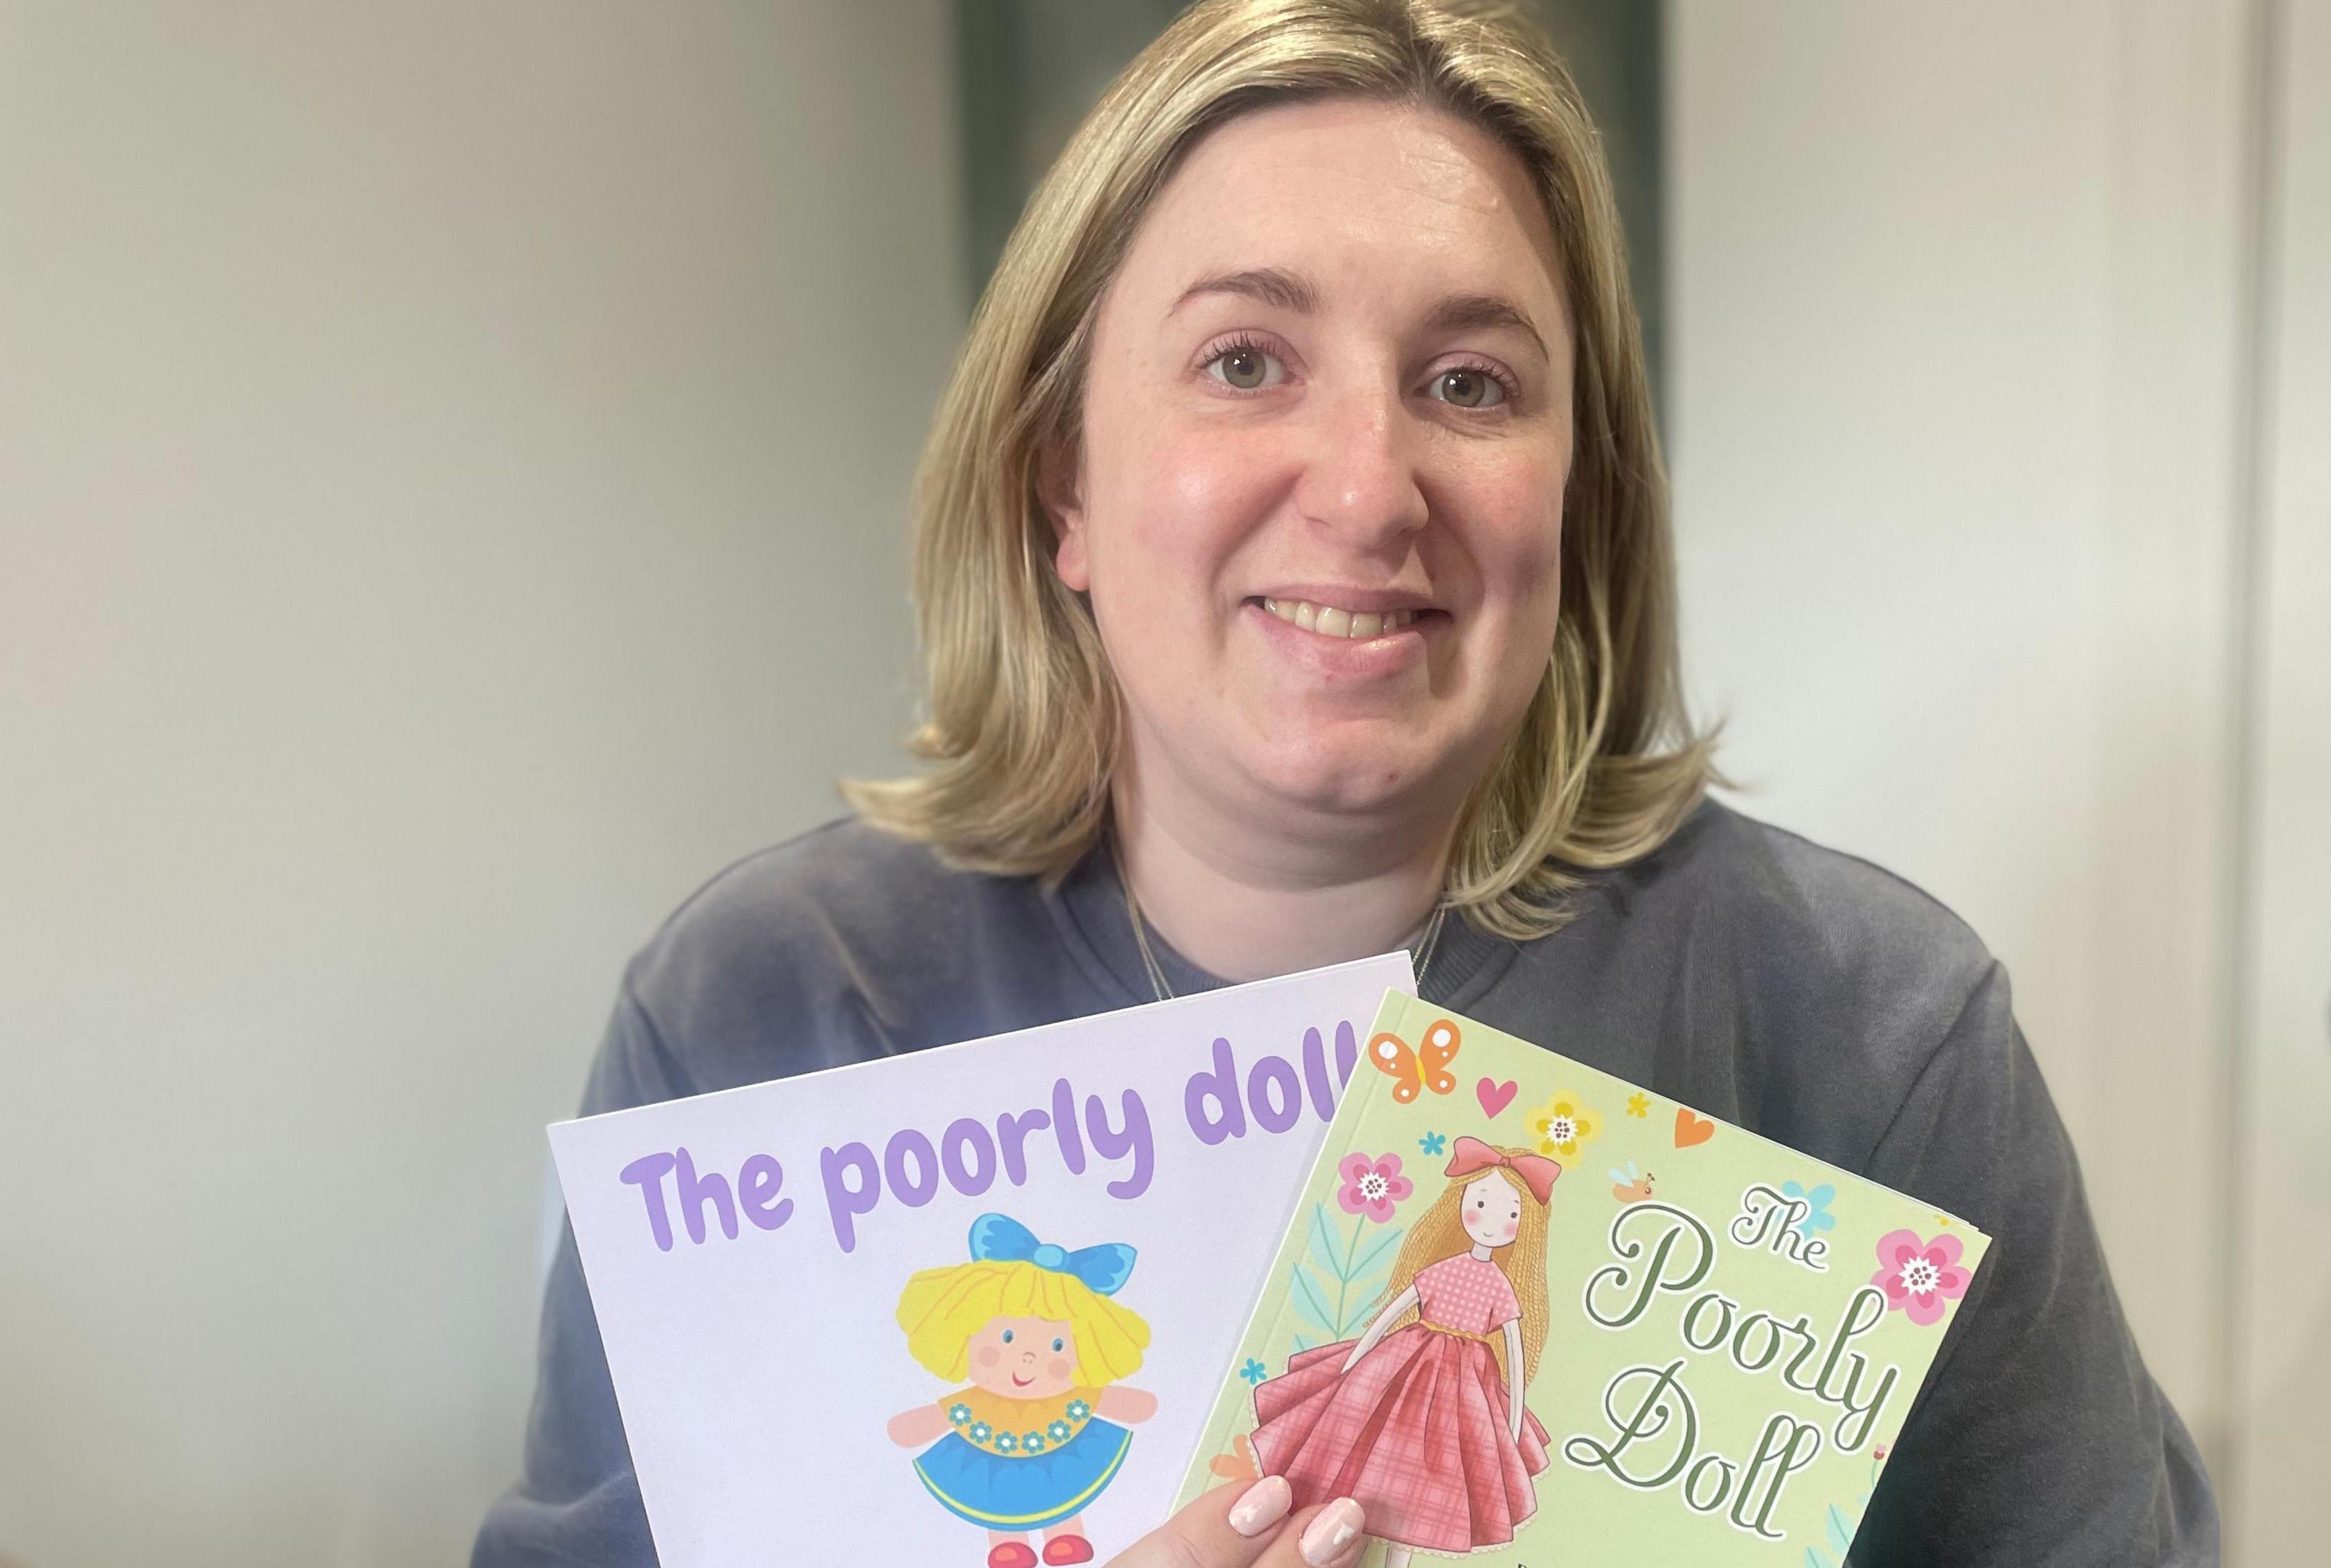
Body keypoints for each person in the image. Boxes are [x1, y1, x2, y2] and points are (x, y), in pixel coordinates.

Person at [472, 1, 2220, 1565]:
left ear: (1576, 504)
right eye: (1245, 361)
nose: (1368, 484)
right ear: (1058, 485)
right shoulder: (764, 1011)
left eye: (1469, 383)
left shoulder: (1866, 1035)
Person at [1246, 1140, 1556, 1564]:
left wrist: (1514, 1417)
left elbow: (1515, 1356)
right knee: (1370, 1446)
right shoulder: (1444, 1269)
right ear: (1459, 1203)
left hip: (1462, 1391)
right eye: (1481, 1202)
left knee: (1436, 1473)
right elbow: (1393, 1312)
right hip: (1406, 1364)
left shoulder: (1500, 1286)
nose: (1491, 1221)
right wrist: (1351, 1367)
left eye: (1511, 1214)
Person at [884, 1214, 1160, 1568]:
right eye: (1008, 1338)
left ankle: (1066, 1534)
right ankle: (1008, 1544)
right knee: (996, 1497)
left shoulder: (1072, 1395)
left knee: (1063, 1485)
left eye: (1057, 1346)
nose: (1027, 1359)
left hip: (1064, 1443)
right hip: (987, 1455)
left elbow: (1136, 1406)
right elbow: (922, 1424)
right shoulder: (975, 1401)